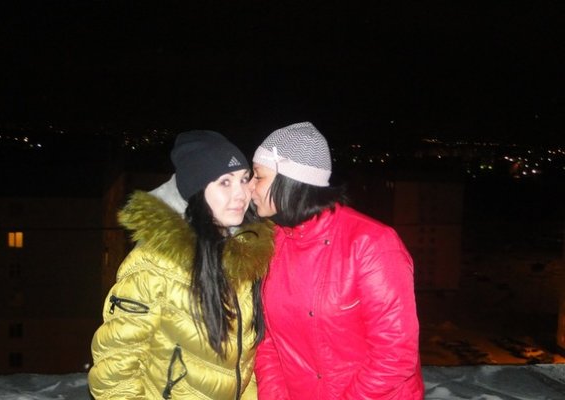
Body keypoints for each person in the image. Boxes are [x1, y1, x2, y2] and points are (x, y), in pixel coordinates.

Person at [88, 130, 274, 399]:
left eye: (244, 179)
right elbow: (114, 369)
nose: (241, 194)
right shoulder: (154, 264)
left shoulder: (245, 255)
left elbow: (245, 364)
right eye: (225, 182)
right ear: (196, 189)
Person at [250, 122, 424, 399]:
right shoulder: (272, 243)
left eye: (258, 176)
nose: (250, 187)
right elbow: (269, 341)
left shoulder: (371, 244)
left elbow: (395, 354)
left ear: (291, 180)